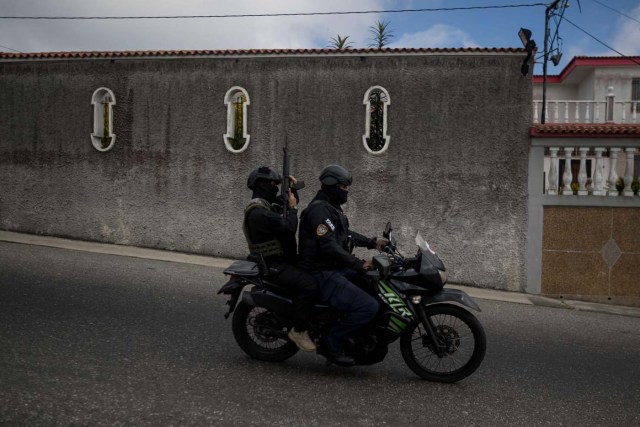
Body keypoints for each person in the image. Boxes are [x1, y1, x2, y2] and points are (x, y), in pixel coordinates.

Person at [298, 164, 387, 366]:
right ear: (331, 186)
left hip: (335, 268)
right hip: (322, 272)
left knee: (372, 287)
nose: (346, 192)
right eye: (344, 187)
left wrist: (373, 243)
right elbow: (328, 246)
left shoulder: (331, 208)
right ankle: (332, 343)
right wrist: (358, 264)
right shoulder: (319, 211)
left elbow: (345, 235)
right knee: (368, 306)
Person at [243, 166, 318, 352]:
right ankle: (299, 330)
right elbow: (289, 227)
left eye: (278, 184)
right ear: (260, 185)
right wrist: (293, 209)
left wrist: (292, 190)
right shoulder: (258, 213)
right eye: (272, 184)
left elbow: (284, 202)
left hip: (283, 261)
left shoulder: (267, 207)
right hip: (274, 265)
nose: (275, 188)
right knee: (309, 285)